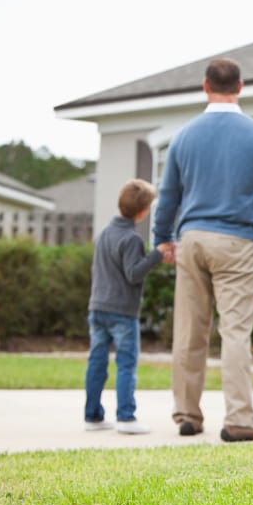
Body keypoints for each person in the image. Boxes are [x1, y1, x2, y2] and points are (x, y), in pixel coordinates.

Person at [153, 57, 253, 443]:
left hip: (192, 238)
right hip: (238, 240)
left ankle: (188, 415)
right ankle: (240, 418)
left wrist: (162, 236)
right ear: (240, 86)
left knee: (190, 331)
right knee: (235, 332)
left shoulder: (184, 136)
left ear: (205, 86)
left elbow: (167, 196)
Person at [85, 179, 171, 435]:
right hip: (122, 311)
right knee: (125, 363)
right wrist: (157, 254)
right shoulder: (131, 239)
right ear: (143, 211)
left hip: (97, 308)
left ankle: (92, 416)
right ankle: (126, 416)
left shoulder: (103, 234)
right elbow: (133, 273)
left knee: (97, 362)